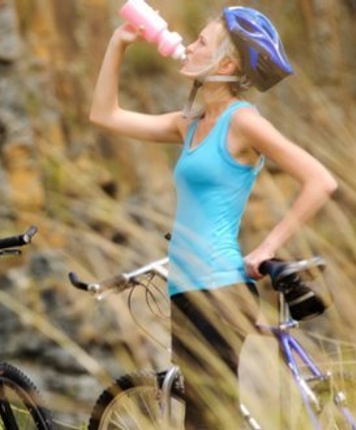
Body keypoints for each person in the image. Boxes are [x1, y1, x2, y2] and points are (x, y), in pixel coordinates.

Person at [89, 6, 337, 429]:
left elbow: (320, 180)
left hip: (220, 288)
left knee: (205, 421)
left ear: (225, 64)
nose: (188, 45)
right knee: (204, 417)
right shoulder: (188, 125)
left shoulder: (243, 122)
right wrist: (117, 44)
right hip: (185, 289)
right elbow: (105, 115)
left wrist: (267, 246)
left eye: (201, 42)